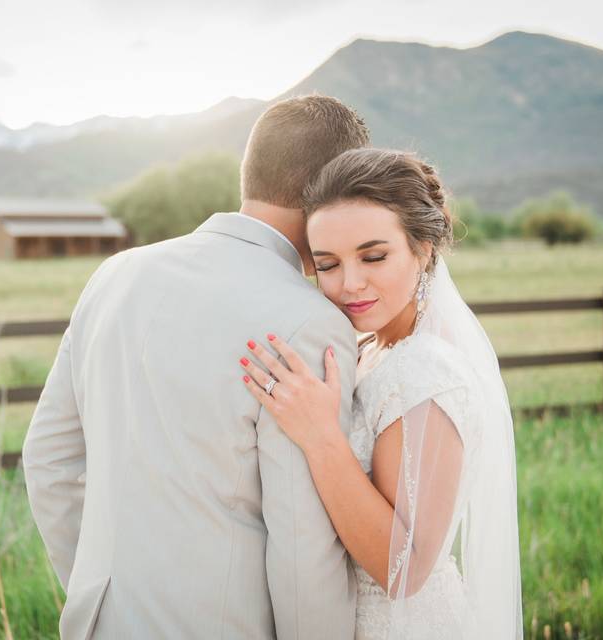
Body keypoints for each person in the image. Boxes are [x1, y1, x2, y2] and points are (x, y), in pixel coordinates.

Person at [22, 94, 370, 639]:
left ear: (249, 172)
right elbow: (302, 544)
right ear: (333, 190)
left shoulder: (115, 276)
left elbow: (47, 460)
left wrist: (100, 592)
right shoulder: (309, 323)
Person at [239, 148, 523, 639]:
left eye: (374, 256)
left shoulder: (424, 373)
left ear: (423, 248)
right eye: (327, 264)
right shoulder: (375, 352)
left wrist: (320, 437)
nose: (350, 283)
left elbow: (405, 568)